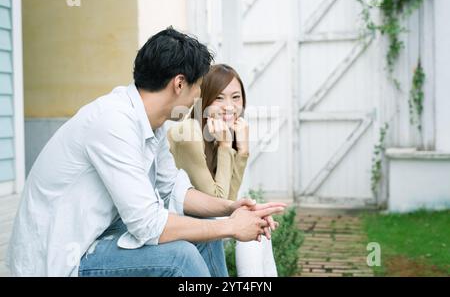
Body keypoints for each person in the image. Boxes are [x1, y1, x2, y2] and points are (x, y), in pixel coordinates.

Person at [7, 27, 285, 277]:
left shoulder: (154, 125)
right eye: (199, 86)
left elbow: (174, 192)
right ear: (179, 84)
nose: (199, 97)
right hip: (61, 259)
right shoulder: (113, 122)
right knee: (180, 257)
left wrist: (232, 209)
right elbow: (148, 226)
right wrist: (231, 227)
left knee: (205, 231)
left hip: (99, 236)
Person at [168, 64, 278, 277]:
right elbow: (217, 201)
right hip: (173, 229)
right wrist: (227, 147)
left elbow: (229, 199)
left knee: (259, 231)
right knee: (252, 230)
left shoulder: (215, 135)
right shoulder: (189, 132)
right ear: (204, 99)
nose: (230, 106)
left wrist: (243, 150)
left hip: (200, 222)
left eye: (236, 97)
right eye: (219, 98)